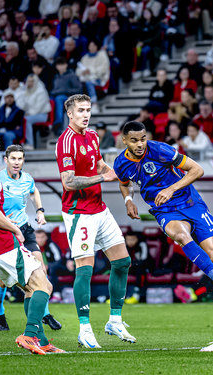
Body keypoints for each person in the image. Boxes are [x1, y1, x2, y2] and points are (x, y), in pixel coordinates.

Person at [113, 120, 213, 347]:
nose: (140, 144)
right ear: (124, 140)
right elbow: (124, 183)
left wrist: (170, 188)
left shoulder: (160, 150)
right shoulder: (120, 163)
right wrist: (128, 200)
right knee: (181, 235)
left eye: (143, 139)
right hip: (163, 208)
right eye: (134, 140)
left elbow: (198, 169)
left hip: (190, 201)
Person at [0, 137, 64, 354]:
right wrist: (16, 230)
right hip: (4, 245)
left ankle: (43, 342)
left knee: (30, 289)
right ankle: (29, 335)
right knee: (44, 286)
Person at [56, 94, 134, 348]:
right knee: (85, 269)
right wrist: (102, 179)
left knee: (122, 262)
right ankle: (85, 328)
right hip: (79, 213)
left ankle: (114, 320)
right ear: (70, 113)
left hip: (99, 209)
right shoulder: (65, 142)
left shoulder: (92, 136)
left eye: (88, 109)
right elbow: (68, 182)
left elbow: (97, 163)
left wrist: (114, 172)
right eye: (80, 110)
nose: (86, 114)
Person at [0, 144, 61, 331]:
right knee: (4, 278)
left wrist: (39, 211)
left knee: (41, 269)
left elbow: (33, 191)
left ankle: (45, 313)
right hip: (6, 231)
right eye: (13, 158)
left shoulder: (27, 179)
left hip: (25, 229)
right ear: (6, 160)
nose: (17, 162)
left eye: (20, 159)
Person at [76, 40, 110, 114]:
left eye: (94, 45)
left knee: (89, 83)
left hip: (99, 79)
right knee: (79, 83)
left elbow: (104, 68)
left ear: (97, 46)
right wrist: (83, 72)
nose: (92, 47)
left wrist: (90, 71)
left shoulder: (102, 55)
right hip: (85, 78)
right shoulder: (84, 58)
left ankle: (94, 104)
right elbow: (78, 70)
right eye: (90, 45)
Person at [50, 57, 82, 134]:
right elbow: (53, 90)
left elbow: (78, 89)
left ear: (66, 65)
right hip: (57, 96)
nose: (61, 67)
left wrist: (66, 91)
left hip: (69, 97)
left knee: (60, 98)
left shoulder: (72, 75)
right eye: (59, 65)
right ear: (56, 66)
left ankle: (58, 121)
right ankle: (51, 123)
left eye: (62, 64)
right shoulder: (56, 77)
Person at [20, 74, 51, 150]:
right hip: (30, 114)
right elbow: (22, 105)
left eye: (32, 81)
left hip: (42, 115)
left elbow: (38, 107)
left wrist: (28, 113)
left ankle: (30, 144)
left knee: (27, 120)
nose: (30, 83)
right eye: (29, 81)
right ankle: (21, 142)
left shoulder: (41, 91)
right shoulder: (26, 91)